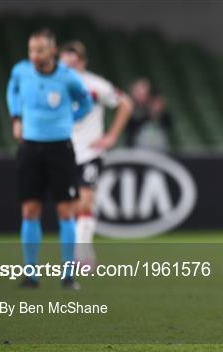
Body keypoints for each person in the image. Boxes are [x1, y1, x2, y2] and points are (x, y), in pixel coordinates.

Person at [6, 28, 93, 289]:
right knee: (30, 210)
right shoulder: (21, 71)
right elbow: (12, 89)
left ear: (53, 51)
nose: (34, 55)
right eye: (32, 50)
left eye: (40, 50)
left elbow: (85, 102)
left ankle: (68, 274)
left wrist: (69, 119)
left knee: (65, 211)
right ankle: (30, 274)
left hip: (60, 150)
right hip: (31, 149)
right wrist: (16, 117)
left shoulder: (68, 78)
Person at [59, 40, 133, 266]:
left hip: (90, 152)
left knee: (85, 200)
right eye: (67, 61)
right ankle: (81, 249)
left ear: (82, 62)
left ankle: (82, 253)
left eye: (75, 60)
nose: (71, 65)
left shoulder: (94, 85)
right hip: (64, 152)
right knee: (71, 206)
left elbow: (125, 103)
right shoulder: (55, 86)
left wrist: (111, 136)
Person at [125, 78, 173, 150]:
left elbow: (169, 123)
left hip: (157, 150)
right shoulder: (129, 108)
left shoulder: (157, 110)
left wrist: (157, 113)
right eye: (138, 92)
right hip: (135, 150)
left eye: (144, 93)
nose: (141, 96)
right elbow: (130, 126)